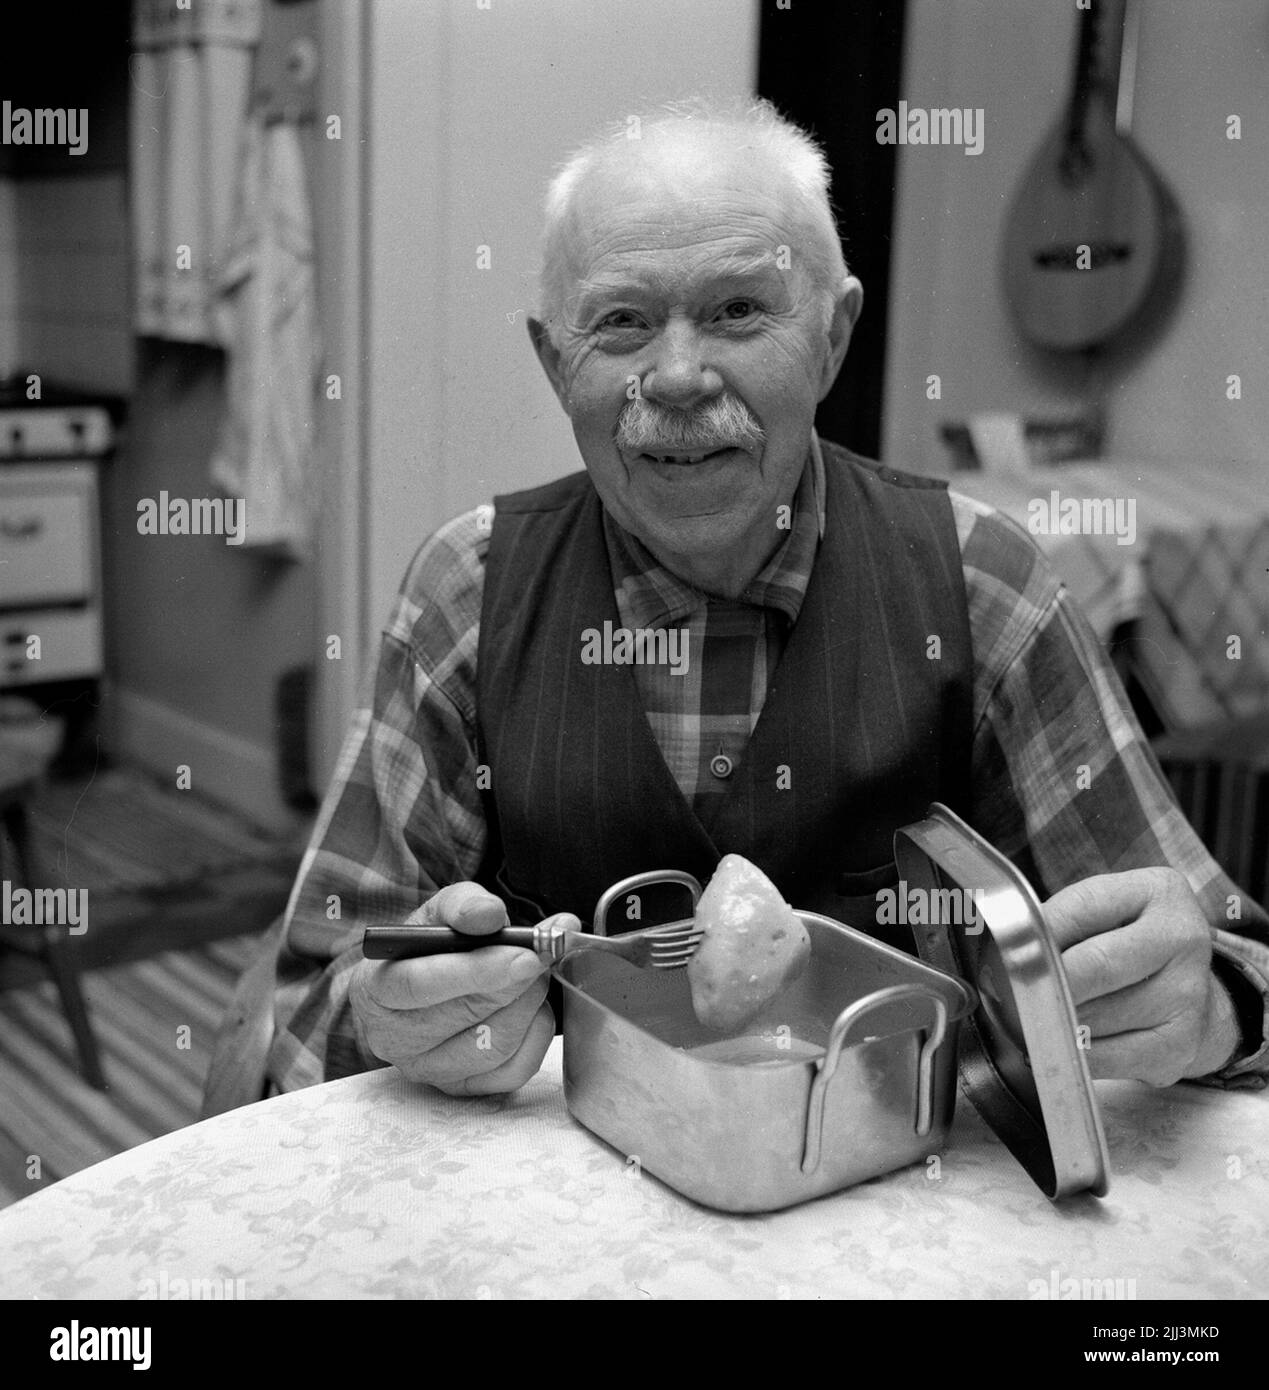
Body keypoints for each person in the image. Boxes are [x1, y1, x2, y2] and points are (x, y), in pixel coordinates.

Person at [266, 98, 1269, 1100]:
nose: (678, 377)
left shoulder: (983, 586)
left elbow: (1234, 960)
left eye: (739, 310)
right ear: (552, 359)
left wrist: (1214, 1005)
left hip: (901, 1209)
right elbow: (308, 1003)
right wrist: (386, 1016)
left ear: (833, 337)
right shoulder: (469, 592)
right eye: (620, 322)